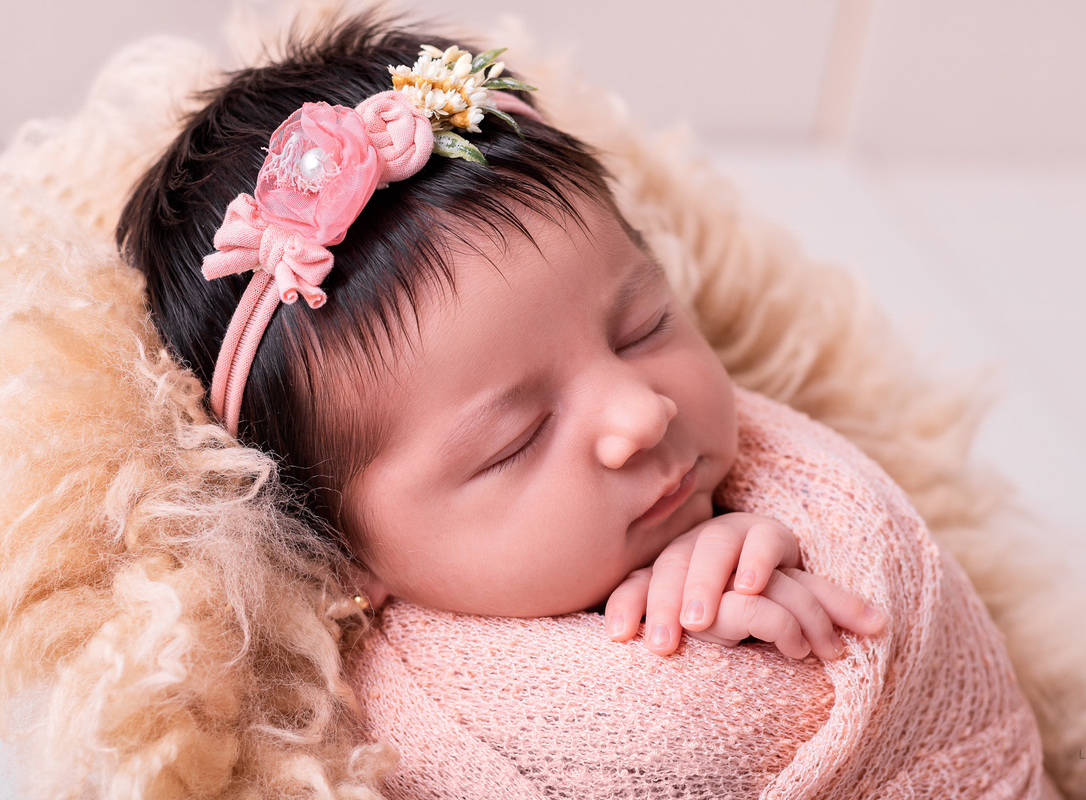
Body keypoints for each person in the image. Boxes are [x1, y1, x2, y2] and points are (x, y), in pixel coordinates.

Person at [117, 16, 886, 663]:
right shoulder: (407, 719)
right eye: (518, 440)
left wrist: (754, 583)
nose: (642, 414)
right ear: (334, 556)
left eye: (642, 329)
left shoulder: (788, 499)